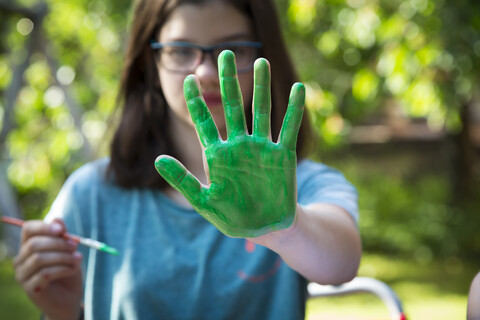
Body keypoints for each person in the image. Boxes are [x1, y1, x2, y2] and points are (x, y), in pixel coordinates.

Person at [12, 0, 361, 319]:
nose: (207, 72)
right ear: (150, 63)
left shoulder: (305, 183)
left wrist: (286, 227)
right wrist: (61, 310)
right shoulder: (90, 194)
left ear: (266, 56)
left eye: (233, 49)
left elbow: (340, 265)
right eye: (181, 51)